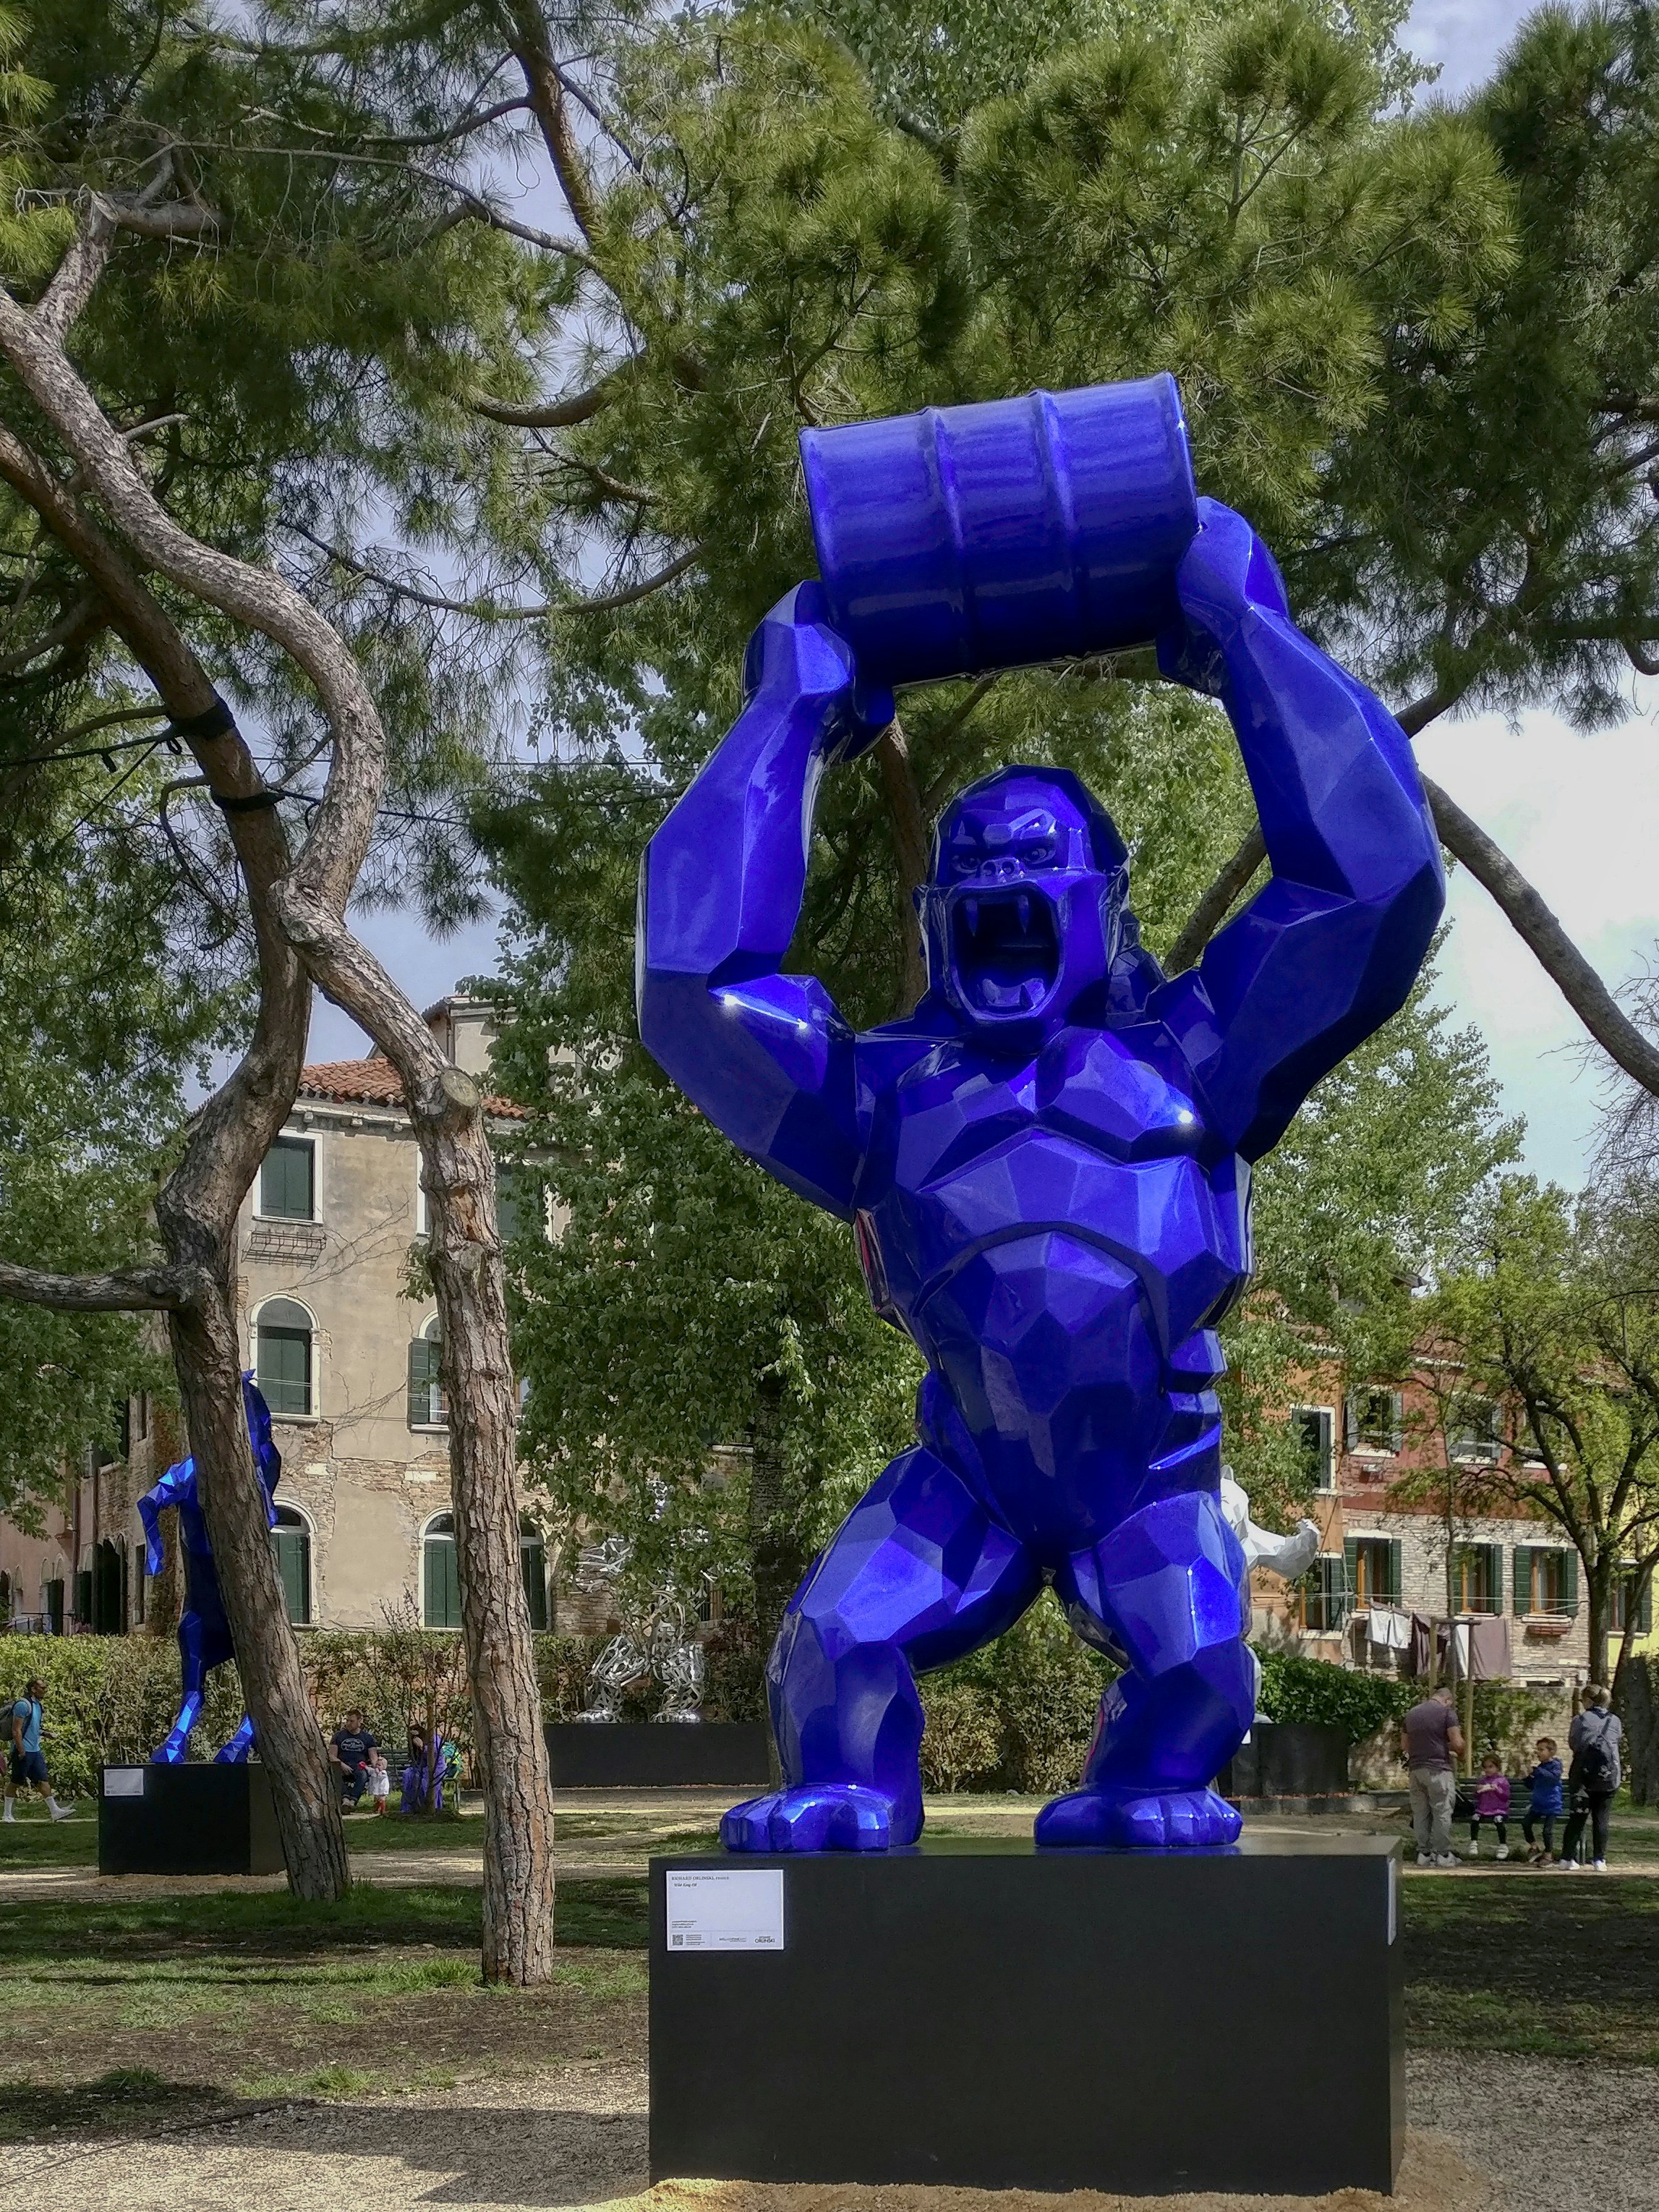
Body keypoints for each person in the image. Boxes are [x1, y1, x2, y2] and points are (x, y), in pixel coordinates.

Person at [1559, 1685, 1622, 1871]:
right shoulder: (1615, 1720)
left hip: (1583, 1777)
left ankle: (1567, 1858)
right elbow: (1616, 1740)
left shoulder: (1580, 1720)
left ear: (1588, 1701)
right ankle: (1599, 1860)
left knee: (1577, 1818)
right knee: (1601, 1819)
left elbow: (1574, 1744)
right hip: (1608, 1777)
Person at [1401, 1684, 1464, 1868]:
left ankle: (1424, 1853)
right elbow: (1457, 1743)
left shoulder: (1411, 1714)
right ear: (1448, 1700)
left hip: (1416, 1769)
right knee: (1442, 1811)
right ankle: (1442, 1854)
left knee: (1420, 1812)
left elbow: (1404, 1746)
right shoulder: (1447, 1713)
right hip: (1439, 1770)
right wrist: (1460, 1753)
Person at [4, 1677, 72, 1823]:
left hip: (35, 1750)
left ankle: (55, 1811)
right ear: (33, 1689)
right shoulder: (23, 1705)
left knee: (43, 1780)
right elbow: (16, 1730)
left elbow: (32, 1727)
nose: (45, 1690)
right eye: (43, 1688)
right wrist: (21, 1750)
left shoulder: (37, 1705)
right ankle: (7, 1815)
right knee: (15, 1781)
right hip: (23, 1750)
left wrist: (46, 1734)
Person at [1523, 1737, 1563, 1863]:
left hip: (1552, 1804)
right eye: (1537, 1750)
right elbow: (1532, 1785)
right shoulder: (1540, 1767)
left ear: (1551, 1752)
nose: (1538, 1753)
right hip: (1538, 1805)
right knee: (1526, 1823)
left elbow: (1553, 1778)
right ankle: (1534, 1847)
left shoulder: (1556, 1765)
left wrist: (1536, 1771)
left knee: (1547, 1831)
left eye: (1541, 1750)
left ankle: (1548, 1855)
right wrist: (1527, 1776)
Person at [330, 1709, 378, 1810]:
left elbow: (373, 1758)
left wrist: (379, 1764)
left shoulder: (367, 1738)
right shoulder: (338, 1736)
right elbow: (331, 1756)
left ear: (359, 1721)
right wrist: (341, 1764)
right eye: (347, 1720)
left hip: (359, 1766)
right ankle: (345, 1800)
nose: (348, 1723)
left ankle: (352, 1801)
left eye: (351, 1721)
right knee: (334, 1774)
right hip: (342, 1765)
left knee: (363, 1775)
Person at [1467, 1752, 1510, 1859]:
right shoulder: (1482, 1781)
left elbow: (1505, 1797)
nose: (1488, 1770)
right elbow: (1476, 1796)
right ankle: (1473, 1843)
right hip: (1483, 1809)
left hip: (1499, 1809)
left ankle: (1503, 1845)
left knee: (1498, 1820)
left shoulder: (1502, 1781)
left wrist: (1497, 1790)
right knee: (1475, 1818)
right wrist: (1478, 1790)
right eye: (1485, 1767)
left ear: (1497, 1767)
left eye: (1491, 1767)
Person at [363, 1745, 391, 1817]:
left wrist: (378, 1772)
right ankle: (377, 1809)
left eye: (379, 1765)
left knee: (382, 1799)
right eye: (376, 1765)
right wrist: (365, 1767)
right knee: (376, 1799)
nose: (377, 1766)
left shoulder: (384, 1773)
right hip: (376, 1788)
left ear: (384, 1766)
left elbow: (381, 1777)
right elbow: (370, 1770)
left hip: (382, 1789)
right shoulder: (374, 1771)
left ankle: (383, 1810)